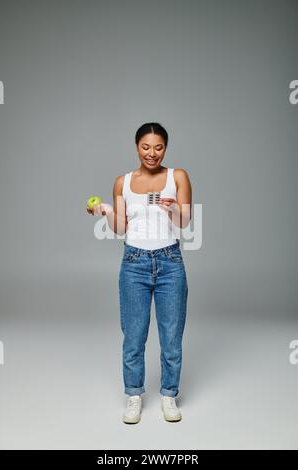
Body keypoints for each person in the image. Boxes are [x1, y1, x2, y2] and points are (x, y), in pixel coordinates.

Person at [87, 122, 192, 424]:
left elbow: (185, 222)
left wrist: (172, 210)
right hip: (133, 263)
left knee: (171, 336)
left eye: (158, 147)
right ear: (136, 147)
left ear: (165, 148)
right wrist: (105, 211)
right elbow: (121, 227)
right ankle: (133, 395)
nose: (152, 153)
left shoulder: (178, 176)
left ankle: (169, 396)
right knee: (133, 336)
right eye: (146, 147)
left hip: (170, 263)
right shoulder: (123, 182)